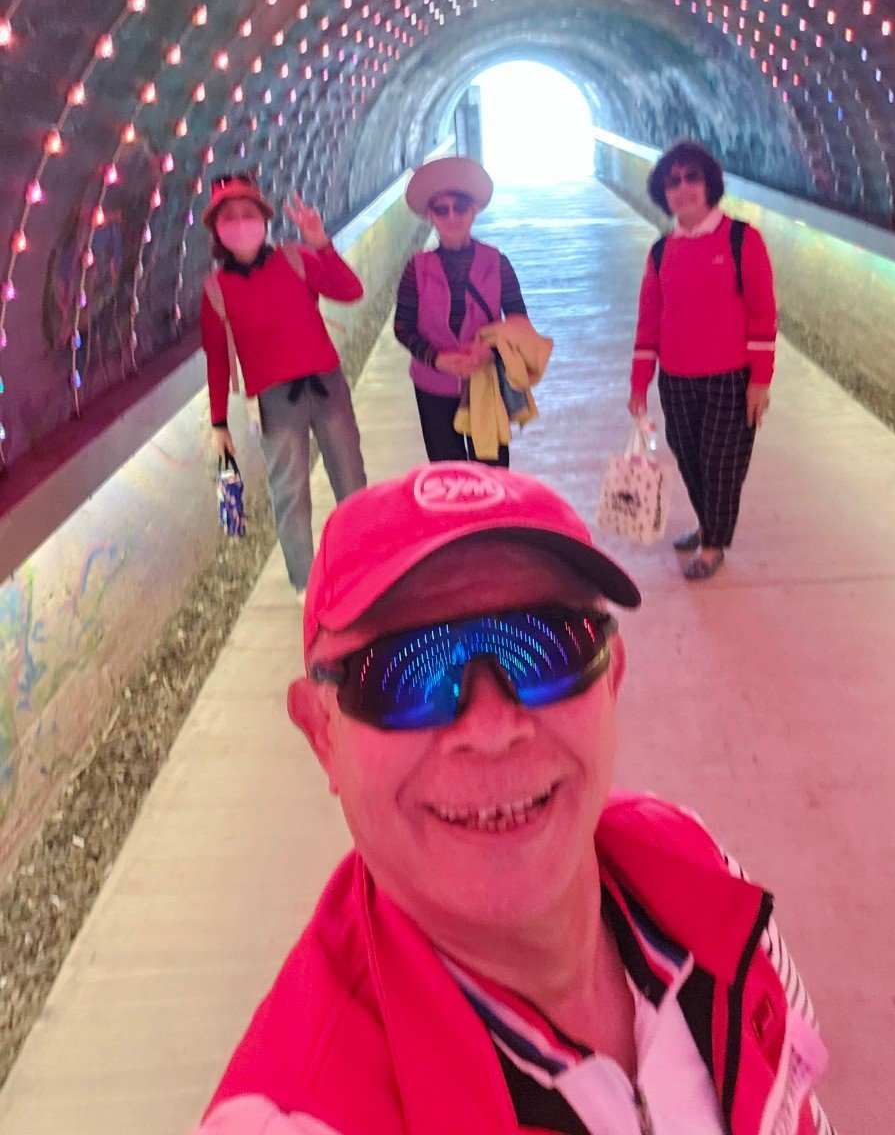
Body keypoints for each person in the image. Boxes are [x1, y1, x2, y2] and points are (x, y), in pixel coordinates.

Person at [196, 462, 833, 1135]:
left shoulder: (702, 877)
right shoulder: (292, 1118)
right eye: (407, 672)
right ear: (322, 734)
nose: (492, 729)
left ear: (611, 678)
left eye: (545, 648)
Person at [200, 172, 367, 595]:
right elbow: (217, 360)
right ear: (217, 230)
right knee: (290, 495)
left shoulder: (296, 259)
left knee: (351, 479)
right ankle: (307, 589)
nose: (241, 223)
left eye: (248, 213)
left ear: (264, 219)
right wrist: (218, 422)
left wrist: (321, 243)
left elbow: (351, 291)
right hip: (274, 402)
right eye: (230, 217)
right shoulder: (216, 291)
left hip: (327, 387)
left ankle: (363, 567)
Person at [627, 141, 777, 581]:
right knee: (690, 459)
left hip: (730, 379)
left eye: (692, 177)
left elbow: (763, 314)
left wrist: (760, 381)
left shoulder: (741, 239)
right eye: (673, 181)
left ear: (710, 183)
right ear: (664, 193)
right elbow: (649, 321)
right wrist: (639, 384)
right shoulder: (661, 251)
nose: (683, 188)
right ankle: (707, 524)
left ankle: (713, 545)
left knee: (720, 464)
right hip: (676, 379)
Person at [395, 156, 527, 468]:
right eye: (442, 209)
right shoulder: (417, 268)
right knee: (448, 474)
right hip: (433, 387)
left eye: (460, 207)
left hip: (485, 383)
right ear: (431, 215)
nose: (452, 216)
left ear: (474, 211)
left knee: (491, 472)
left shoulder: (497, 262)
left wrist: (490, 350)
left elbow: (518, 320)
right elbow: (403, 326)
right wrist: (437, 359)